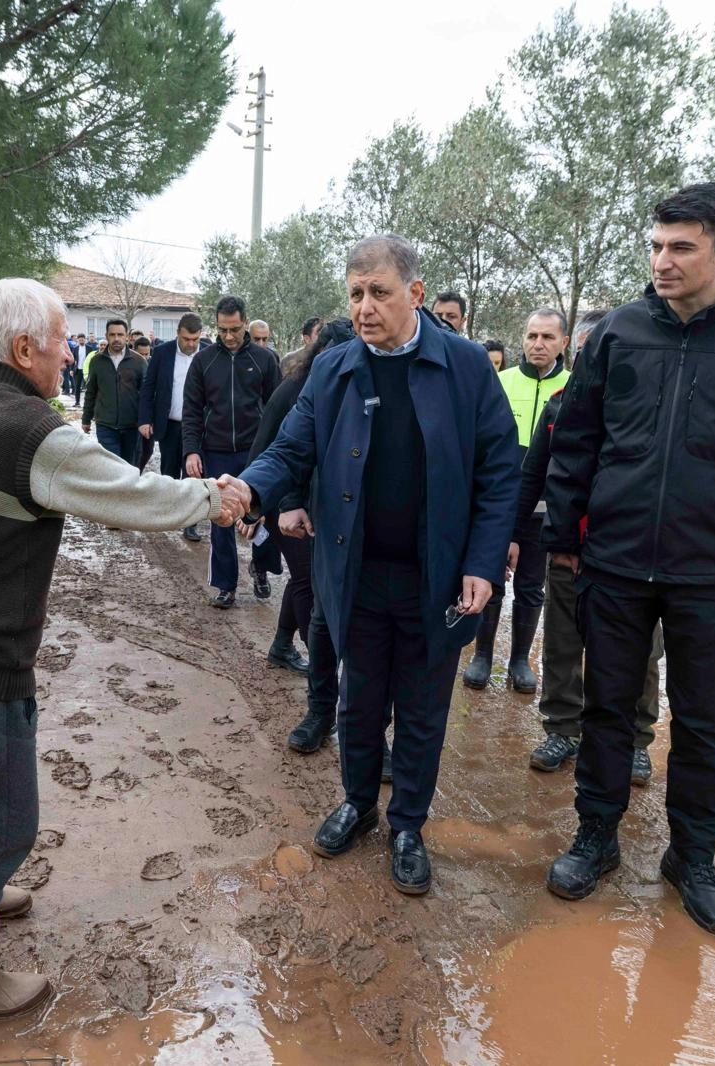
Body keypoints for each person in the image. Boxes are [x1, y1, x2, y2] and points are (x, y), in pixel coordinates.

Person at [0, 278, 245, 1022]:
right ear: (23, 349)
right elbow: (133, 496)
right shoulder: (34, 433)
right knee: (6, 819)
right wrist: (213, 500)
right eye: (64, 335)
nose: (70, 347)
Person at [540, 183, 715, 937]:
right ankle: (595, 838)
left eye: (681, 247)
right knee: (607, 711)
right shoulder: (617, 333)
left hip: (713, 568)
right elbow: (577, 441)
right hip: (617, 560)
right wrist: (564, 537)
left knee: (701, 723)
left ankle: (692, 858)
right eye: (656, 245)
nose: (662, 261)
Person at [229, 235, 519, 897]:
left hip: (436, 577)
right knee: (359, 701)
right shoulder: (334, 371)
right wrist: (251, 488)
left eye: (379, 292)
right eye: (355, 294)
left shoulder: (467, 368)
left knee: (421, 710)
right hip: (354, 574)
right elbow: (291, 448)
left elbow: (502, 472)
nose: (364, 307)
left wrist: (481, 562)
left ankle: (408, 825)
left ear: (415, 294)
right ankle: (359, 804)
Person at [516, 309, 663, 784]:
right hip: (569, 549)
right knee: (562, 641)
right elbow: (533, 475)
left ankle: (636, 741)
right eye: (585, 350)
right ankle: (562, 727)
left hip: (634, 555)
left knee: (641, 650)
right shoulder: (559, 405)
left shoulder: (653, 405)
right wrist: (515, 535)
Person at [462, 309, 570, 694]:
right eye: (531, 336)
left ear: (564, 343)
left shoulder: (574, 388)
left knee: (530, 585)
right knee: (489, 575)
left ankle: (520, 659)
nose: (538, 344)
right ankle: (482, 655)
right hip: (498, 504)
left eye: (547, 337)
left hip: (545, 510)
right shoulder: (501, 382)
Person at [264, 318, 357, 750]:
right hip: (325, 519)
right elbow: (289, 449)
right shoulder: (308, 388)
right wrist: (281, 501)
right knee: (321, 618)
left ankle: (374, 734)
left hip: (379, 528)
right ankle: (320, 712)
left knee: (374, 632)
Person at [183, 296, 283, 607]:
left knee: (262, 515)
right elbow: (192, 411)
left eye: (235, 330)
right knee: (221, 517)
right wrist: (191, 450)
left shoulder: (265, 360)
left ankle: (262, 568)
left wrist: (273, 450)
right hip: (217, 451)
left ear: (245, 324)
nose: (228, 336)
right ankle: (225, 585)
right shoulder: (204, 361)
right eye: (223, 330)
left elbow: (277, 409)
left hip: (256, 452)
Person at [138, 312, 207, 541]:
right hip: (169, 424)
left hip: (198, 427)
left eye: (195, 339)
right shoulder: (162, 353)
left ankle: (190, 523)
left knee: (194, 473)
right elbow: (149, 388)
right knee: (168, 472)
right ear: (178, 333)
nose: (191, 344)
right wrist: (145, 419)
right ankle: (168, 515)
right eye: (187, 339)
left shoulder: (209, 353)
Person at [80, 320, 144, 467]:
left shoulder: (138, 361)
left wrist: (146, 420)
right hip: (105, 425)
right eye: (112, 334)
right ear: (106, 336)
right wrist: (86, 418)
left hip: (131, 426)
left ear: (127, 337)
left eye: (120, 334)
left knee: (129, 468)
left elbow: (147, 394)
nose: (116, 338)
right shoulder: (97, 361)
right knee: (111, 468)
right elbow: (91, 391)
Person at [131, 336, 155, 468]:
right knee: (135, 451)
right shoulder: (128, 366)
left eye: (147, 354)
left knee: (148, 450)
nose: (144, 357)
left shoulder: (154, 365)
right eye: (141, 354)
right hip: (132, 415)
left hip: (148, 416)